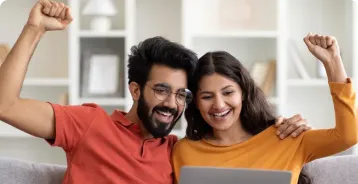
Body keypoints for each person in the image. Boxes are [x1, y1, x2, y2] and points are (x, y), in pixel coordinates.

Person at [0, 1, 311, 183]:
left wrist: (274, 129)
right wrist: (34, 29)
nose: (171, 104)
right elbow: (5, 105)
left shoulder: (177, 152)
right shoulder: (88, 124)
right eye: (162, 90)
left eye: (181, 94)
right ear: (135, 89)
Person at [172, 33, 358, 184]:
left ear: (243, 93)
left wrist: (333, 63)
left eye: (228, 93)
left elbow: (349, 136)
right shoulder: (184, 151)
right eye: (207, 96)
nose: (219, 105)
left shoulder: (286, 136)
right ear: (195, 101)